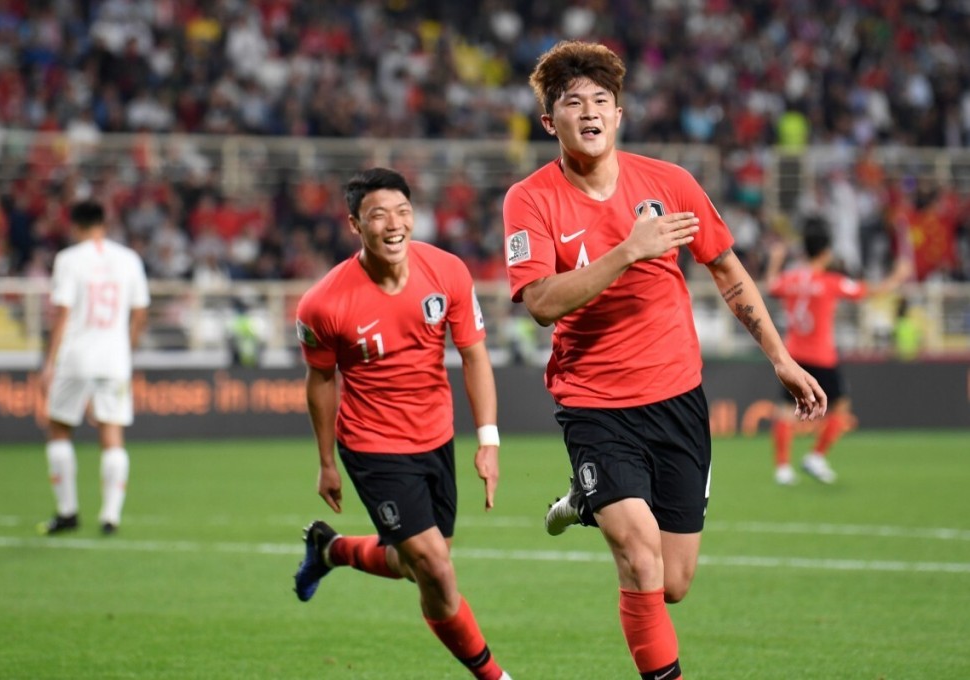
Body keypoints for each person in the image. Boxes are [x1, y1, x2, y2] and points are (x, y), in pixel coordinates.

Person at [502, 41, 827, 680]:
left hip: (677, 399)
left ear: (619, 114)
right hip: (594, 403)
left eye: (601, 101)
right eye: (573, 103)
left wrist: (781, 358)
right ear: (551, 123)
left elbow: (728, 271)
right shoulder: (531, 200)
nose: (589, 111)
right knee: (640, 559)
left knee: (672, 583)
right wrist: (627, 250)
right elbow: (540, 302)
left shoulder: (670, 183)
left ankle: (589, 500)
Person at [293, 168, 511, 680]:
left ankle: (332, 549)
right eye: (378, 215)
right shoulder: (324, 303)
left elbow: (474, 355)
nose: (394, 225)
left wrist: (488, 440)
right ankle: (495, 676)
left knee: (417, 565)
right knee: (435, 566)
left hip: (436, 437)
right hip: (372, 446)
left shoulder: (448, 271)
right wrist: (326, 461)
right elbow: (321, 381)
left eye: (403, 212)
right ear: (354, 225)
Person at [765, 216, 910, 485]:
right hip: (821, 356)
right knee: (841, 406)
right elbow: (870, 291)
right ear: (826, 252)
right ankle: (816, 456)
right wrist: (898, 276)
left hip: (794, 354)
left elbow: (770, 285)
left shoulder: (791, 278)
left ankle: (782, 468)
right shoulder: (831, 281)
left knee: (785, 410)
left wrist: (775, 258)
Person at [38, 200, 150, 535]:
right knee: (112, 433)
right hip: (115, 358)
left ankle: (68, 511)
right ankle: (110, 516)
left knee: (59, 428)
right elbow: (140, 312)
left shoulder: (69, 259)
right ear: (104, 222)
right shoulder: (129, 259)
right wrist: (125, 350)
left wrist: (49, 362)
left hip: (76, 356)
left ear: (75, 226)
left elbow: (62, 312)